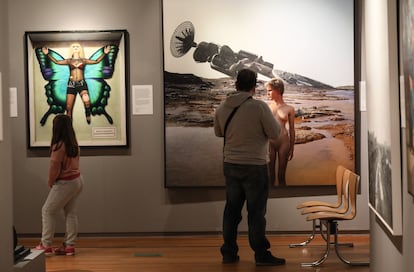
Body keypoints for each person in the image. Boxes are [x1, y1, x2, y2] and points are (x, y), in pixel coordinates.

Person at [214, 68, 286, 266]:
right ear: (254, 86)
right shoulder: (259, 108)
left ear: (236, 84)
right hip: (255, 166)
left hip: (230, 164)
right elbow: (274, 133)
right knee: (256, 213)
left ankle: (229, 253)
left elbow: (218, 132)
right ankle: (261, 254)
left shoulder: (223, 107)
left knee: (231, 211)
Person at [35, 114, 83, 256]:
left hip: (66, 182)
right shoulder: (73, 144)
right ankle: (69, 246)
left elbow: (54, 168)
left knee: (47, 211)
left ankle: (46, 245)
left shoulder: (58, 146)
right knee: (71, 213)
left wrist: (50, 181)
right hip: (77, 181)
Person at [42, 43, 110, 124]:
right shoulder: (69, 60)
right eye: (73, 46)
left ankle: (87, 112)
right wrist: (47, 54)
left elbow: (96, 61)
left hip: (81, 83)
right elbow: (57, 62)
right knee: (68, 107)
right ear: (71, 49)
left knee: (86, 99)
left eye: (77, 46)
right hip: (71, 84)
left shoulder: (83, 60)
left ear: (80, 49)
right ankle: (68, 125)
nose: (75, 48)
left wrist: (105, 53)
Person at [266, 78, 295, 186]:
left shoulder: (289, 109)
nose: (267, 93)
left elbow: (292, 129)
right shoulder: (267, 107)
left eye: (269, 90)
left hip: (284, 143)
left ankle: (283, 199)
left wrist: (292, 147)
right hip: (270, 143)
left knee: (281, 176)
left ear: (278, 90)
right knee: (270, 176)